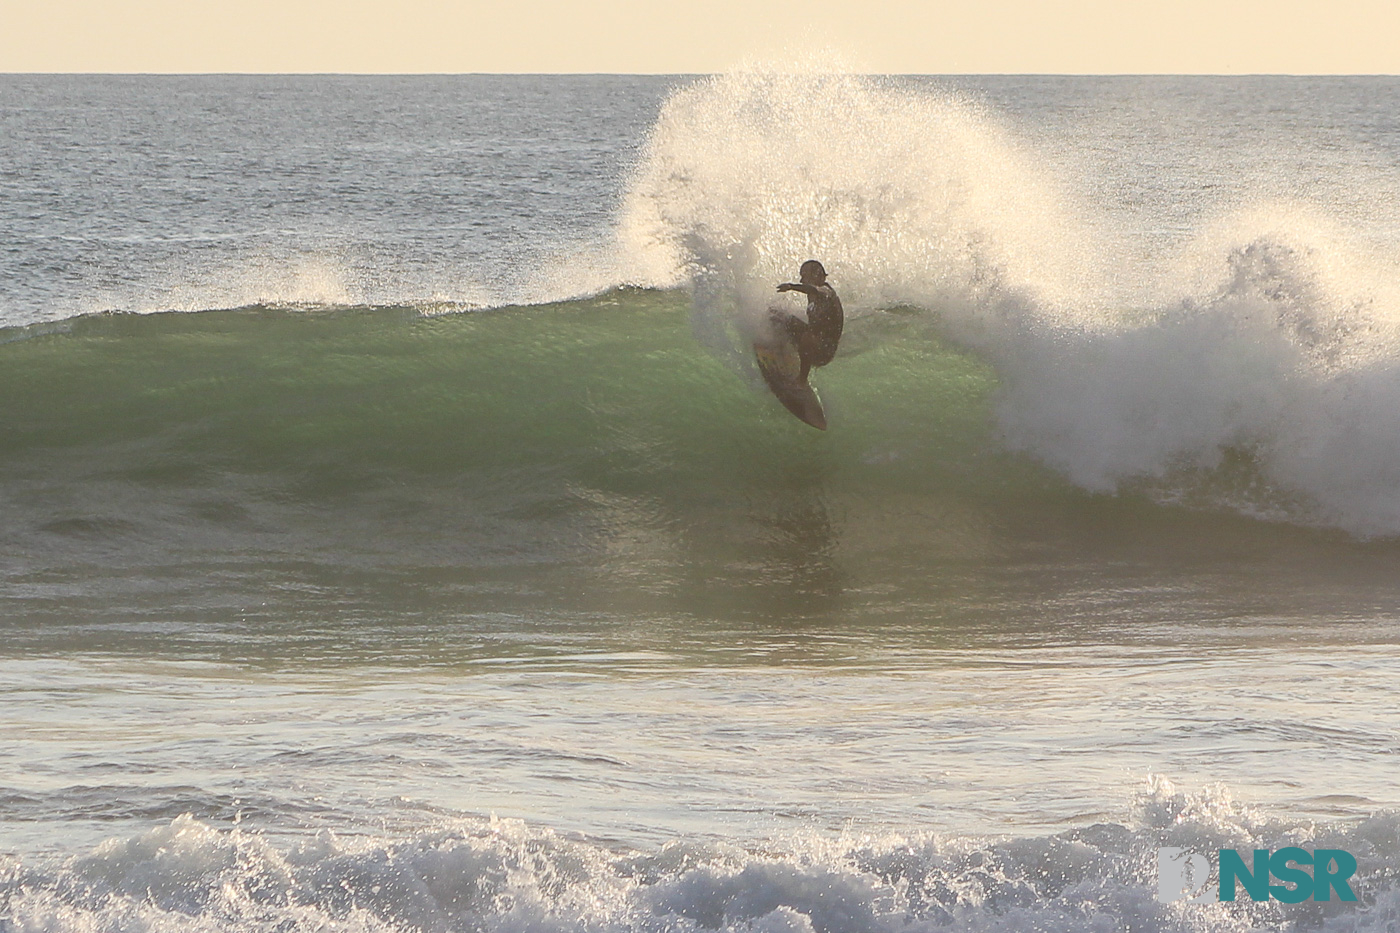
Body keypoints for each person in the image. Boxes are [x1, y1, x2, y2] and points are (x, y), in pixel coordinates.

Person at [774, 260, 843, 381]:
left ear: (817, 275)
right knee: (779, 315)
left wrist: (791, 286)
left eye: (804, 276)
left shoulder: (827, 292)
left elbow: (815, 289)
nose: (801, 280)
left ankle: (801, 380)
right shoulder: (812, 296)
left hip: (824, 351)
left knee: (808, 337)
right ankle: (781, 352)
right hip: (813, 340)